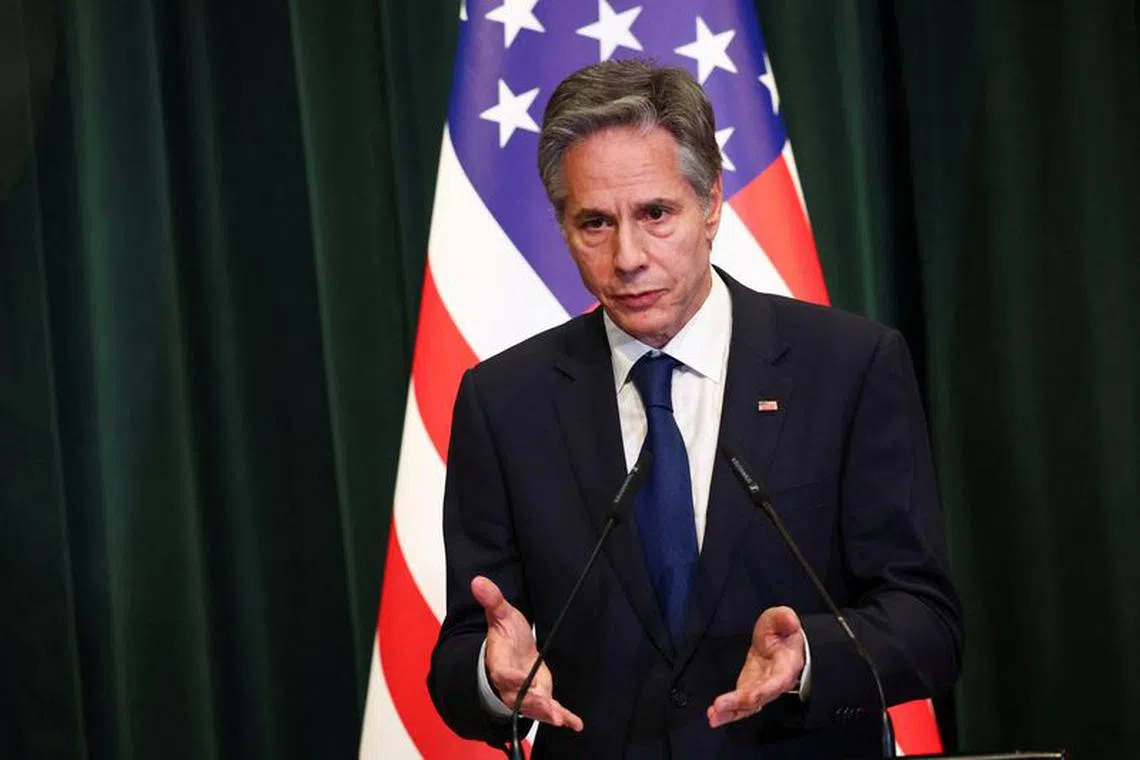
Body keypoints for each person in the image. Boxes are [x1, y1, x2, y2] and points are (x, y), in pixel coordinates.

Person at [427, 59, 963, 760]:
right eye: (595, 223)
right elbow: (464, 650)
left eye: (656, 214)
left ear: (711, 205)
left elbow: (928, 623)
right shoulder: (504, 402)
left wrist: (811, 654)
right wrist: (492, 678)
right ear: (562, 227)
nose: (628, 257)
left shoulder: (848, 369)